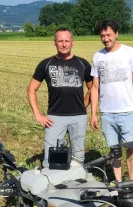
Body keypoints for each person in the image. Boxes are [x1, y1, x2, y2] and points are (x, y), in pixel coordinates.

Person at [28, 27, 93, 168]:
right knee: (50, 159)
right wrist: (38, 115)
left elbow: (93, 88)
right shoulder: (46, 64)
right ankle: (51, 185)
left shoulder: (83, 64)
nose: (64, 44)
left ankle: (75, 183)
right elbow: (31, 89)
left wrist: (84, 105)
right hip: (54, 117)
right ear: (55, 43)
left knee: (78, 158)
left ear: (72, 42)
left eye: (67, 41)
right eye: (60, 41)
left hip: (79, 116)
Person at [90, 20, 133, 182]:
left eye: (108, 35)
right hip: (107, 113)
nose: (105, 39)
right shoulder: (97, 56)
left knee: (130, 148)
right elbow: (94, 87)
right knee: (114, 151)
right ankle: (119, 183)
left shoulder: (129, 52)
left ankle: (132, 182)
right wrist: (93, 114)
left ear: (116, 34)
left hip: (127, 112)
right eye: (102, 36)